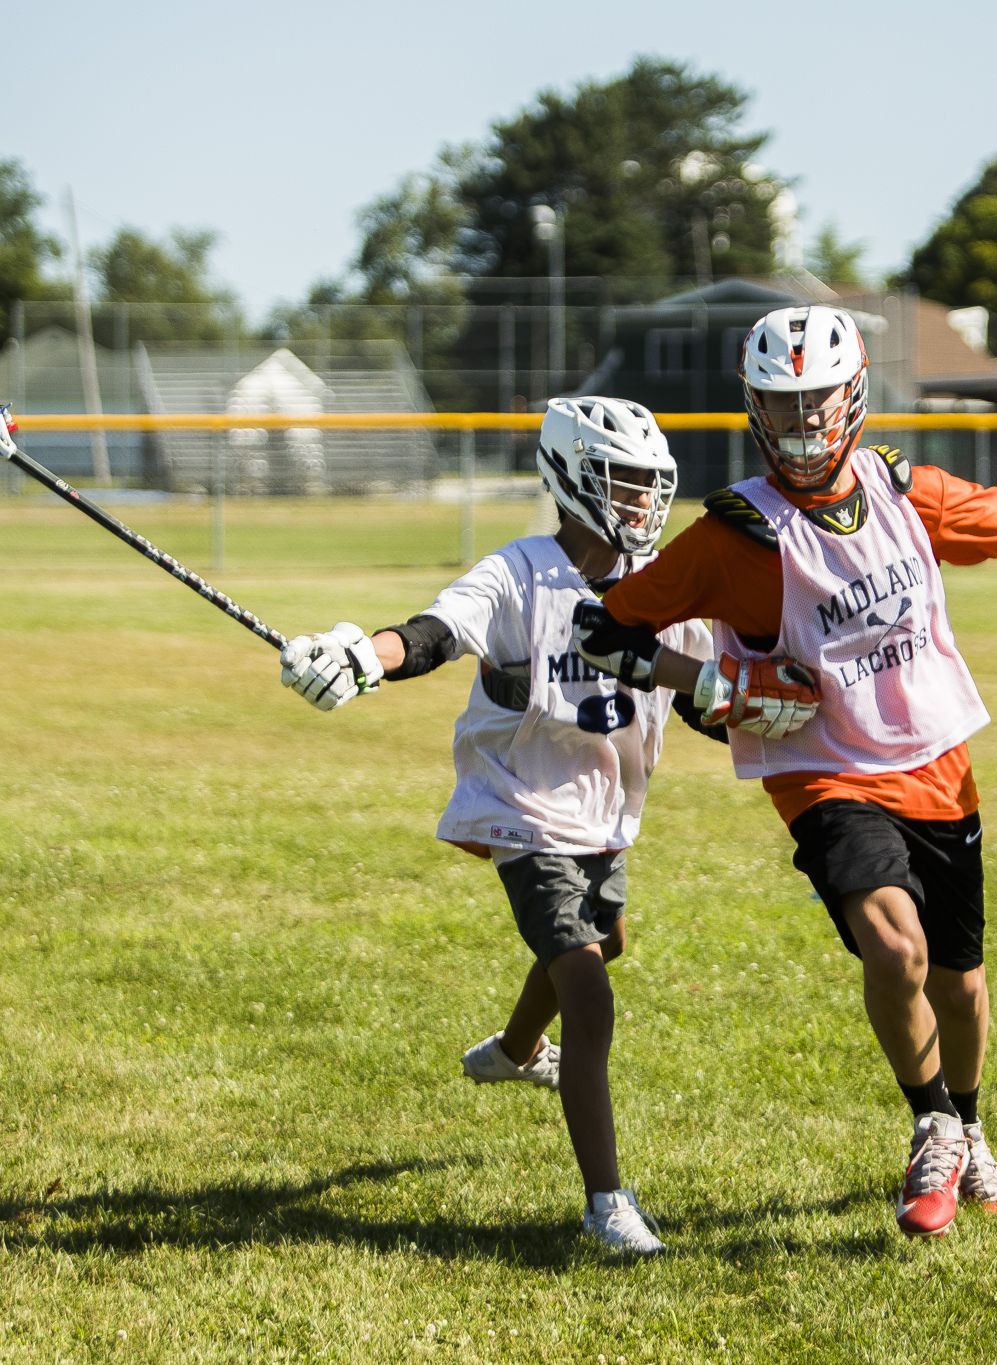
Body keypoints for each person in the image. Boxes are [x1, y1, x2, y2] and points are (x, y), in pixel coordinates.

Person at [570, 305, 997, 1239]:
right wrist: (710, 682)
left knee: (963, 984)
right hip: (825, 776)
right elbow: (602, 630)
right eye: (781, 408)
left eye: (819, 404)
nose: (802, 426)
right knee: (894, 949)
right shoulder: (732, 534)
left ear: (853, 398)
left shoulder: (907, 493)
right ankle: (932, 1121)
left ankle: (969, 1124)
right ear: (753, 409)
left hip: (938, 766)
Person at [276, 395, 808, 1256]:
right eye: (622, 482)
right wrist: (357, 657)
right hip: (522, 807)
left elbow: (702, 695)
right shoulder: (519, 573)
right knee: (588, 991)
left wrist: (764, 708)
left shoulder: (660, 582)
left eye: (649, 484)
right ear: (570, 478)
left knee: (608, 942)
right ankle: (607, 1202)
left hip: (604, 811)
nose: (640, 502)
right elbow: (431, 635)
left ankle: (517, 1047)